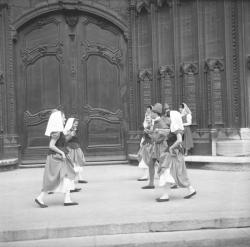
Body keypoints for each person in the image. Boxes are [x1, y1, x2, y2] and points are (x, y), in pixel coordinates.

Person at [35, 109, 78, 208]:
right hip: (56, 158)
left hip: (59, 157)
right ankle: (41, 197)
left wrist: (69, 136)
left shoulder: (59, 131)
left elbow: (61, 143)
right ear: (59, 118)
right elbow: (51, 145)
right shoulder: (57, 132)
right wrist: (62, 152)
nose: (65, 118)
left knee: (65, 177)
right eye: (63, 117)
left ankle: (67, 199)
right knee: (56, 178)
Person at [156, 110, 196, 202]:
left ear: (173, 118)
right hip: (173, 153)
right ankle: (191, 189)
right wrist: (160, 130)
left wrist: (171, 148)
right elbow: (169, 132)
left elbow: (179, 140)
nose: (167, 119)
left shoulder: (176, 128)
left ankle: (165, 195)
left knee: (166, 171)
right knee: (176, 173)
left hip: (173, 153)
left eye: (168, 117)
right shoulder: (175, 127)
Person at [141, 103, 169, 189]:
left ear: (156, 113)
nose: (150, 114)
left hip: (161, 147)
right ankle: (151, 183)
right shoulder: (156, 121)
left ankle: (170, 183)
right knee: (151, 163)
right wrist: (150, 132)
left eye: (152, 113)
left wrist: (152, 136)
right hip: (156, 146)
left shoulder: (161, 122)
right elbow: (156, 133)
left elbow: (165, 134)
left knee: (164, 166)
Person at [64, 117, 88, 184]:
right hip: (71, 149)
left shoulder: (74, 130)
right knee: (73, 163)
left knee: (78, 163)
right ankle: (72, 179)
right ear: (70, 124)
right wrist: (71, 135)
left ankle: (80, 178)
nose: (76, 125)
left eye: (76, 124)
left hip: (76, 148)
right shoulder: (67, 131)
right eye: (75, 124)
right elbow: (65, 140)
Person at [137, 106, 153, 181]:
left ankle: (146, 176)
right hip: (145, 144)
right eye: (146, 118)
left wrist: (149, 133)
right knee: (144, 158)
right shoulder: (147, 127)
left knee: (145, 159)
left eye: (148, 118)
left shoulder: (152, 127)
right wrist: (141, 141)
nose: (147, 119)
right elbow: (144, 136)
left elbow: (153, 136)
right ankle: (145, 175)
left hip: (149, 145)